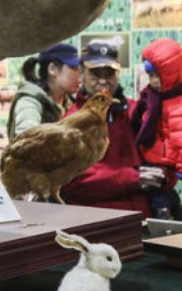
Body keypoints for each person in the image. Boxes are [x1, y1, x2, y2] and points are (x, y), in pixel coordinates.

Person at [61, 39, 159, 217]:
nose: (103, 81)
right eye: (96, 74)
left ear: (119, 73)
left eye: (109, 74)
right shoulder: (72, 122)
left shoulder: (133, 111)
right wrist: (133, 178)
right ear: (82, 73)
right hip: (98, 225)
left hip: (140, 221)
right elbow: (76, 181)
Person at [132, 38, 182, 221]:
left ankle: (164, 212)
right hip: (154, 153)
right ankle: (176, 207)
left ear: (170, 74)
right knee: (164, 188)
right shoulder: (153, 97)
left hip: (163, 158)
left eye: (156, 76)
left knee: (156, 191)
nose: (152, 81)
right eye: (150, 76)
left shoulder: (179, 103)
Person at [6, 43, 81, 143]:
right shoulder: (30, 103)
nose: (79, 75)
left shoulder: (68, 103)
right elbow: (25, 143)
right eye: (73, 68)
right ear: (52, 69)